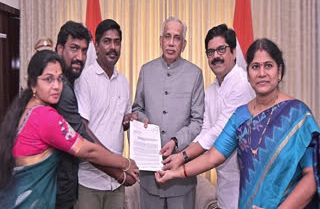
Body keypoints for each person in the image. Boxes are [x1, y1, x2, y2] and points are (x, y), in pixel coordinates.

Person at [155, 38, 320, 209]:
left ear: (279, 72)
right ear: (248, 75)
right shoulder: (240, 115)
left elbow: (312, 175)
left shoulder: (298, 114)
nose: (262, 73)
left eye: (268, 66)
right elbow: (212, 157)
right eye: (255, 67)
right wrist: (176, 172)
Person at [0, 50, 138, 209]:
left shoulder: (27, 107)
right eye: (48, 79)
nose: (56, 86)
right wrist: (125, 163)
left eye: (60, 79)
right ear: (33, 83)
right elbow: (88, 151)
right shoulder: (45, 116)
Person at [162, 24, 255, 209]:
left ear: (234, 52)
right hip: (224, 183)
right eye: (210, 52)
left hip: (247, 183)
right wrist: (178, 148)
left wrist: (182, 157)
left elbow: (218, 133)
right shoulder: (212, 90)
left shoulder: (242, 84)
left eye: (221, 49)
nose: (216, 56)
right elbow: (205, 130)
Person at [54, 21, 137, 209]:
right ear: (97, 46)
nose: (113, 47)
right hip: (89, 180)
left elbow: (119, 122)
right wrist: (119, 168)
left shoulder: (123, 81)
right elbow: (82, 130)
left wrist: (128, 121)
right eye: (107, 41)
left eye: (117, 42)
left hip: (116, 184)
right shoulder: (83, 78)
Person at [132, 17, 204, 209]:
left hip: (181, 175)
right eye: (167, 37)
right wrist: (143, 119)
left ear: (184, 44)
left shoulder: (195, 74)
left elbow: (198, 121)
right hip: (149, 174)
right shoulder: (146, 71)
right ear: (160, 40)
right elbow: (136, 109)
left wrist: (175, 141)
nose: (171, 42)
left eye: (177, 38)